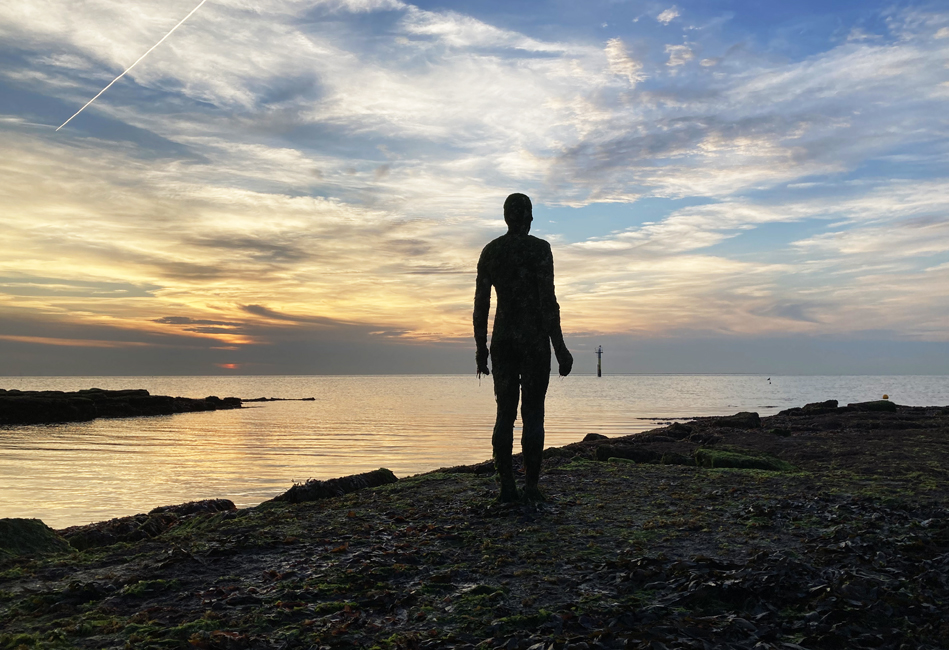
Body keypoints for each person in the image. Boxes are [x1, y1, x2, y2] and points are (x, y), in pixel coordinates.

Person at [473, 193, 573, 502]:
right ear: (527, 217)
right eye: (529, 215)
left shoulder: (491, 252)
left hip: (502, 340)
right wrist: (560, 348)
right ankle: (530, 486)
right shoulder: (539, 250)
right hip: (533, 340)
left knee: (505, 414)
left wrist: (481, 347)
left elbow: (481, 307)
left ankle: (506, 487)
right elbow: (547, 303)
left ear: (506, 218)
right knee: (533, 415)